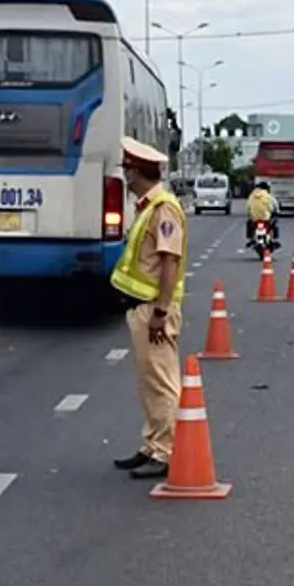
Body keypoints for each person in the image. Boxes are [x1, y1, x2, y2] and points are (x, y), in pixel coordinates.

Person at [109, 137, 187, 482]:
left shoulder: (163, 209)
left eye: (127, 168)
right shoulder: (147, 208)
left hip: (154, 310)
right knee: (149, 383)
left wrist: (160, 311)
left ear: (138, 171)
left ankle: (166, 452)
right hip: (142, 308)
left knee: (162, 383)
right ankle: (152, 445)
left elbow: (170, 262)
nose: (124, 175)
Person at [245, 180, 278, 247]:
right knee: (274, 224)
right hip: (266, 218)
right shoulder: (269, 196)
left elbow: (248, 206)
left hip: (255, 218)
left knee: (249, 224)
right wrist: (276, 211)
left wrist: (250, 214)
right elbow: (274, 206)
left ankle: (251, 238)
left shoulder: (252, 195)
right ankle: (272, 239)